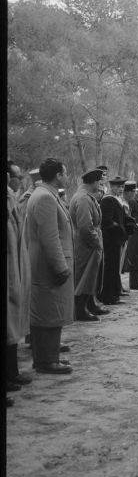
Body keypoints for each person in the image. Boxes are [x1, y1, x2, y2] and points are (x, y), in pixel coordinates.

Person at [25, 158, 74, 374]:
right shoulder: (45, 197)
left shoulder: (46, 194)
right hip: (49, 265)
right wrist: (60, 267)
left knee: (52, 311)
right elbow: (50, 237)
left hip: (47, 264)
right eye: (65, 172)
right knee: (49, 312)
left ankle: (48, 357)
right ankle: (46, 361)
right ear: (58, 175)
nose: (67, 176)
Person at [69, 168, 108, 322]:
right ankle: (80, 310)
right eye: (100, 182)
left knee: (90, 277)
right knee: (84, 277)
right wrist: (96, 243)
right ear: (93, 182)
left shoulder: (86, 196)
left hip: (88, 243)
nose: (101, 185)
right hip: (86, 245)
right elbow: (86, 226)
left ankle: (87, 306)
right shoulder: (83, 198)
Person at [7, 161, 32, 396]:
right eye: (16, 176)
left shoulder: (13, 198)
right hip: (10, 270)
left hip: (14, 268)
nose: (19, 180)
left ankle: (12, 373)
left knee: (12, 324)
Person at [98, 176, 127, 305]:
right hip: (110, 240)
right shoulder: (108, 200)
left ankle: (114, 294)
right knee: (110, 268)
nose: (121, 189)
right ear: (112, 187)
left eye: (122, 187)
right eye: (118, 187)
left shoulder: (118, 200)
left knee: (115, 268)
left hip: (117, 239)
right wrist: (119, 228)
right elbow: (106, 221)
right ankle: (108, 296)